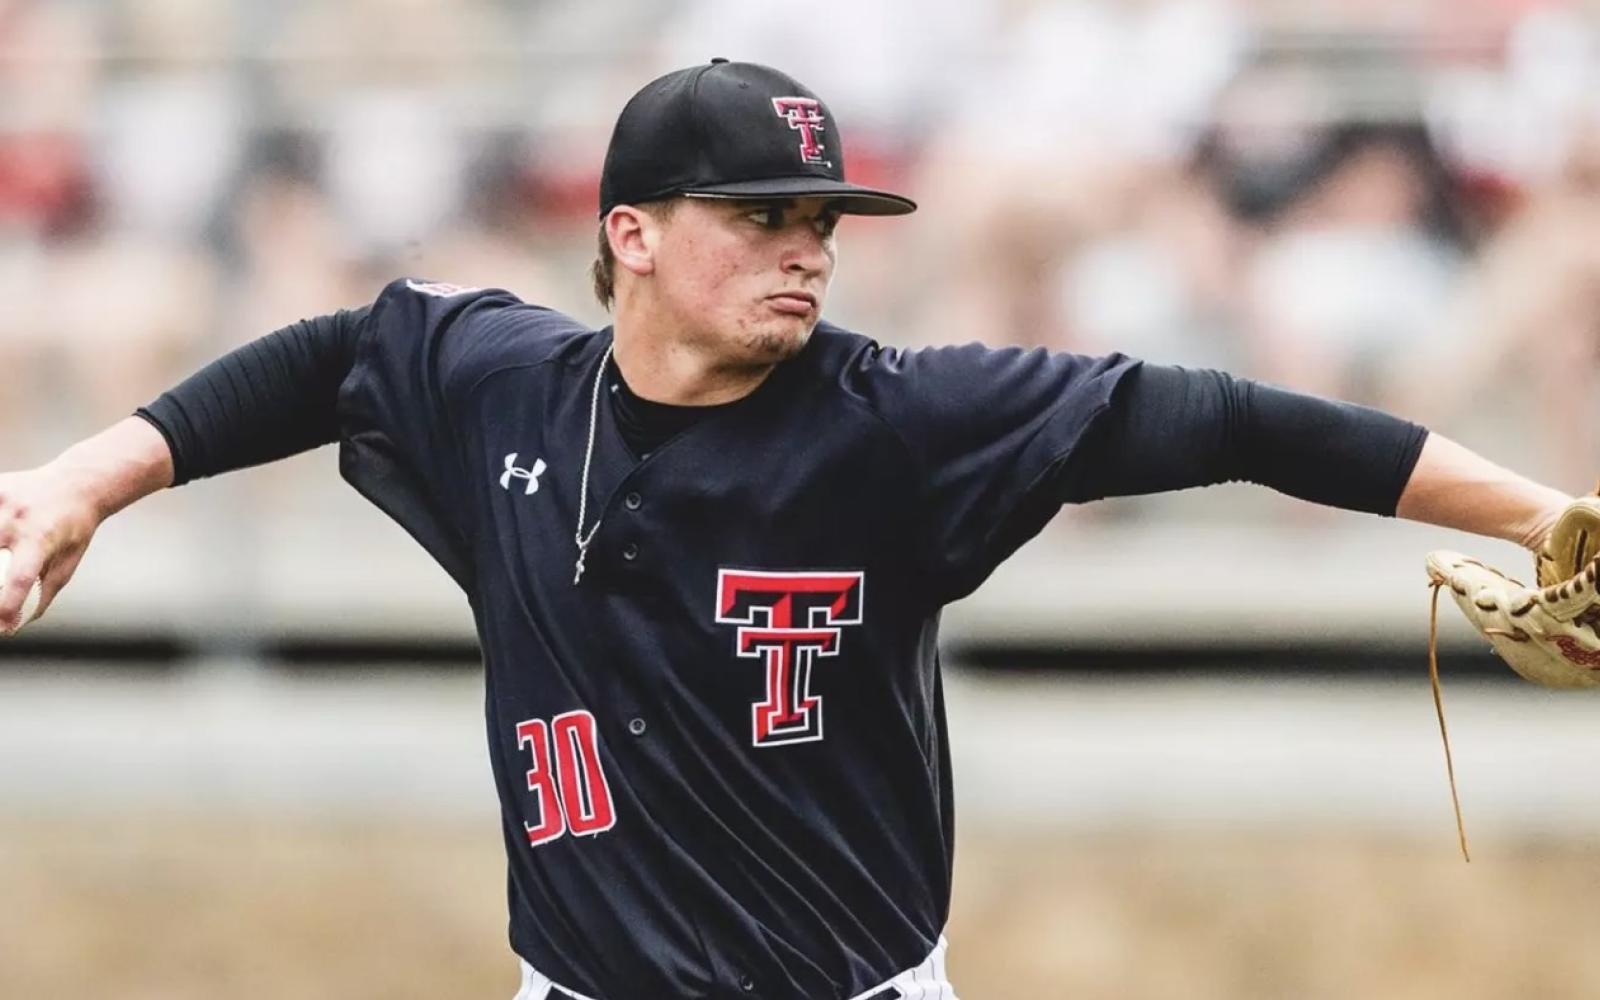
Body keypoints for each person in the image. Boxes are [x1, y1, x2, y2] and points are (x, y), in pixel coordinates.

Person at [0, 60, 1575, 1000]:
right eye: (761, 216)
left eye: (821, 220)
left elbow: (1235, 418)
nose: (806, 250)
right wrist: (84, 480)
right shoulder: (498, 386)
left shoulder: (902, 420)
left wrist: (1541, 513)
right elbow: (324, 360)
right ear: (629, 234)